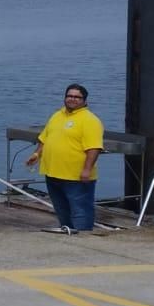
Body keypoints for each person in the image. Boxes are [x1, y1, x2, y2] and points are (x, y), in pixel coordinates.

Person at [26, 82, 105, 233]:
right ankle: (67, 234)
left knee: (81, 210)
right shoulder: (57, 115)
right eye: (69, 96)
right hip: (53, 173)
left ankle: (84, 238)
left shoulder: (90, 120)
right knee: (61, 209)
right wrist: (37, 154)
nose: (72, 99)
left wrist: (87, 170)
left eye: (77, 97)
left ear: (84, 101)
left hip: (76, 177)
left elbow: (94, 148)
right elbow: (45, 138)